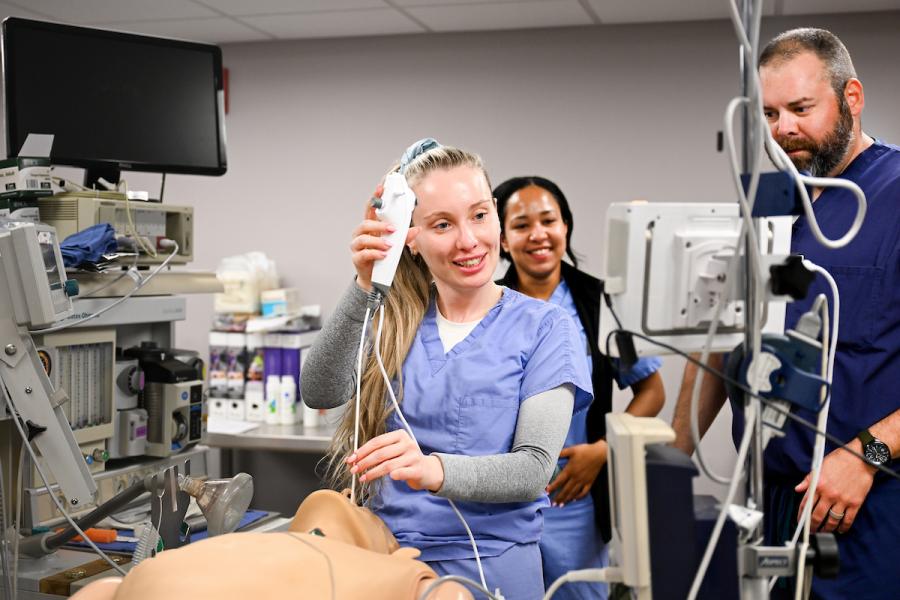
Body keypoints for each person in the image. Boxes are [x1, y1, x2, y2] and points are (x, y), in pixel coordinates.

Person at [301, 140, 593, 600]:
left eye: (479, 215)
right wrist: (364, 283)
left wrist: (431, 468)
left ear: (495, 215)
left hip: (492, 565)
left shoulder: (545, 327)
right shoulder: (393, 319)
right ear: (408, 238)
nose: (468, 240)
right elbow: (319, 390)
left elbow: (534, 468)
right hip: (389, 560)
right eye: (442, 224)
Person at [670, 28, 900, 599]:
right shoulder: (768, 204)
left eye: (801, 108)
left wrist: (866, 456)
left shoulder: (894, 195)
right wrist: (667, 466)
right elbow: (722, 337)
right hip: (772, 500)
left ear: (851, 98)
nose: (783, 129)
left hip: (868, 502)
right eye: (769, 113)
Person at [494, 176, 665, 599]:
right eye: (520, 224)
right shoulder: (487, 307)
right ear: (500, 239)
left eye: (548, 220)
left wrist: (602, 450)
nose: (538, 234)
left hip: (574, 497)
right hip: (501, 500)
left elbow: (652, 391)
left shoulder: (601, 301)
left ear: (565, 227)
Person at [70, 489, 474, 600]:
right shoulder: (399, 571)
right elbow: (451, 593)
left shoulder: (265, 545)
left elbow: (102, 592)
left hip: (151, 582)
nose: (356, 499)